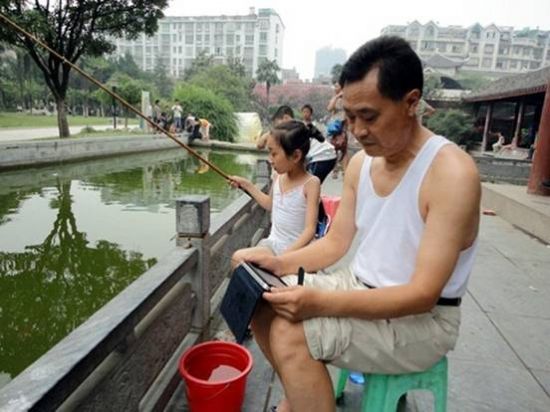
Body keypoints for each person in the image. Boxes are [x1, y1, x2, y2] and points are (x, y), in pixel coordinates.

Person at [244, 36, 481, 412]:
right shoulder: (361, 163)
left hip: (424, 319)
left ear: (411, 103)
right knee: (259, 298)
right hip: (358, 285)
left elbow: (422, 294)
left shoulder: (451, 173)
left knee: (291, 333)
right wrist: (279, 263)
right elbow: (335, 243)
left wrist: (322, 302)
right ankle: (300, 395)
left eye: (369, 117)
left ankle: (299, 397)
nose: (357, 130)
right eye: (350, 117)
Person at [230, 120, 321, 262]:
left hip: (297, 251)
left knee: (242, 259)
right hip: (273, 245)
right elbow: (269, 203)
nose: (270, 160)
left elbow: (310, 230)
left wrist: (283, 258)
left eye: (274, 154)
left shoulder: (311, 184)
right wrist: (246, 184)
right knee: (238, 259)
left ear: (296, 156)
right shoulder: (278, 176)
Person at [301, 104, 337, 184]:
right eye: (304, 112)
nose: (305, 114)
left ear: (311, 113)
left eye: (307, 112)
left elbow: (322, 139)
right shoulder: (299, 126)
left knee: (311, 183)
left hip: (322, 156)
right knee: (310, 182)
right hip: (316, 156)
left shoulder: (316, 125)